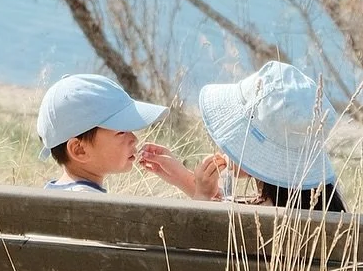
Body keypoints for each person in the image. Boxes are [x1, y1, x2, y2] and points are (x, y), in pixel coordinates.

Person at [139, 61, 346, 211]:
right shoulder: (328, 211)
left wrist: (201, 197)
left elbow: (196, 256)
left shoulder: (255, 223)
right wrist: (184, 178)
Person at [37, 73, 167, 193]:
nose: (134, 139)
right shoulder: (89, 205)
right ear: (79, 149)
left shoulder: (50, 194)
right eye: (121, 132)